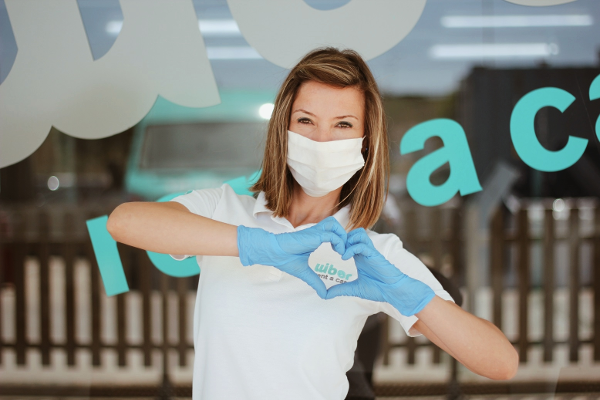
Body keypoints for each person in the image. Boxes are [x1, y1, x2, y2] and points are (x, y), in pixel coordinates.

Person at [107, 47, 518, 400]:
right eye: (306, 121)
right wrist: (256, 244)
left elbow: (500, 363)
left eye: (343, 124)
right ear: (282, 130)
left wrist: (412, 295)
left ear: (365, 141)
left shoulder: (372, 254)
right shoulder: (224, 209)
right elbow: (125, 222)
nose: (322, 141)